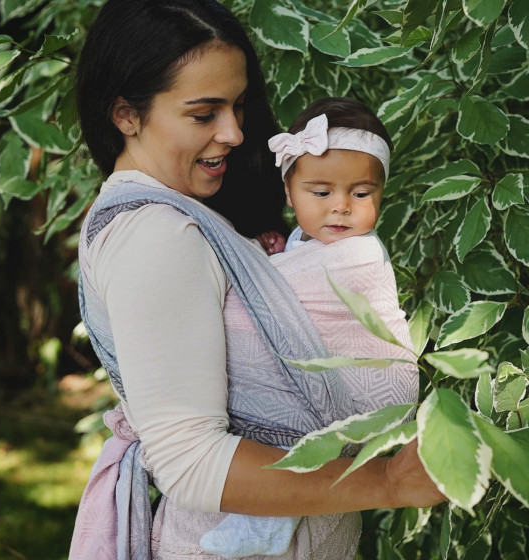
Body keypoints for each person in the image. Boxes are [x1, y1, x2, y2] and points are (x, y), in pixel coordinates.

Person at [69, 1, 446, 559]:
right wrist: (387, 482)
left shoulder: (183, 217)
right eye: (204, 114)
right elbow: (191, 463)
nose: (235, 132)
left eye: (238, 106)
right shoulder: (156, 236)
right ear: (126, 115)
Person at [199, 97, 418, 557]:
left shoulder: (358, 253)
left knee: (279, 420)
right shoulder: (308, 239)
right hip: (336, 373)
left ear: (380, 194)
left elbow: (261, 295)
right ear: (288, 192)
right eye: (321, 193)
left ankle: (267, 521)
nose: (341, 208)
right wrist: (275, 252)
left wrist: (256, 262)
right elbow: (290, 279)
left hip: (369, 383)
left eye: (361, 195)